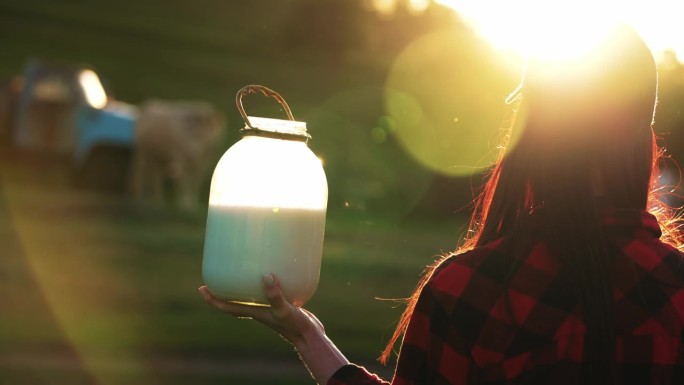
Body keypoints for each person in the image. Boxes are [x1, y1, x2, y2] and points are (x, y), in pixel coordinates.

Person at [199, 24, 684, 385]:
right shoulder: (674, 291)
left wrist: (306, 336)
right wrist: (309, 334)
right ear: (641, 143)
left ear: (533, 140)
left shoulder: (468, 292)